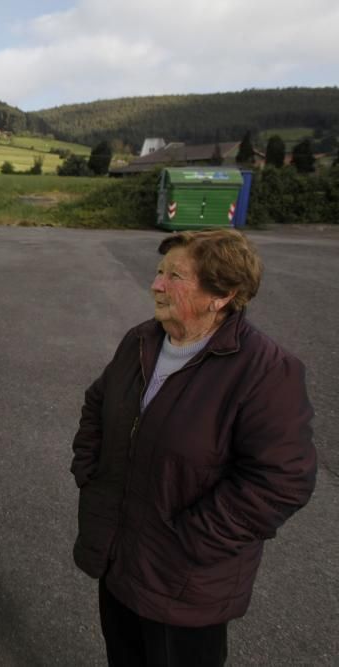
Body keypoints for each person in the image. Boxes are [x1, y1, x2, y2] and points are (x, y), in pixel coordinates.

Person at [70, 229, 316, 667]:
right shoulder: (142, 341)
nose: (156, 284)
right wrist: (90, 473)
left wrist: (190, 540)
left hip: (184, 583)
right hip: (119, 557)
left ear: (221, 296)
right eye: (160, 271)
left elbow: (281, 480)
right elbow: (98, 402)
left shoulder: (267, 372)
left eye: (175, 276)